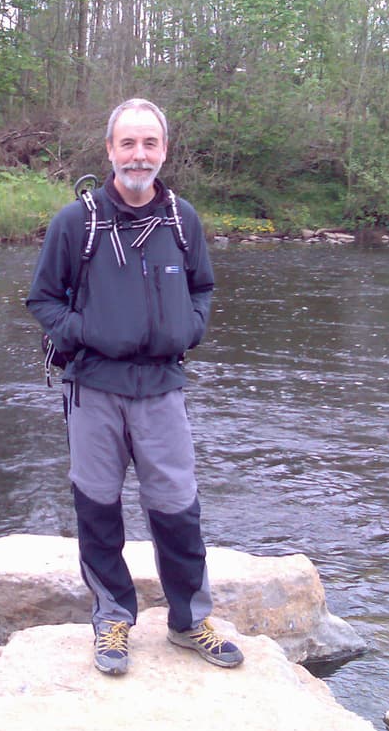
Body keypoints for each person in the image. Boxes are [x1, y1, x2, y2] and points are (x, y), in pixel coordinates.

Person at [26, 98, 243, 675]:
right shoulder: (77, 223)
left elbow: (203, 287)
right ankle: (113, 618)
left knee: (177, 507)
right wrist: (86, 332)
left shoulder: (182, 219)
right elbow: (42, 299)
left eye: (149, 144)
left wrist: (191, 328)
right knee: (97, 507)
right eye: (128, 143)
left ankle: (189, 620)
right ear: (110, 150)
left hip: (163, 388)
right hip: (93, 388)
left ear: (164, 151)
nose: (138, 155)